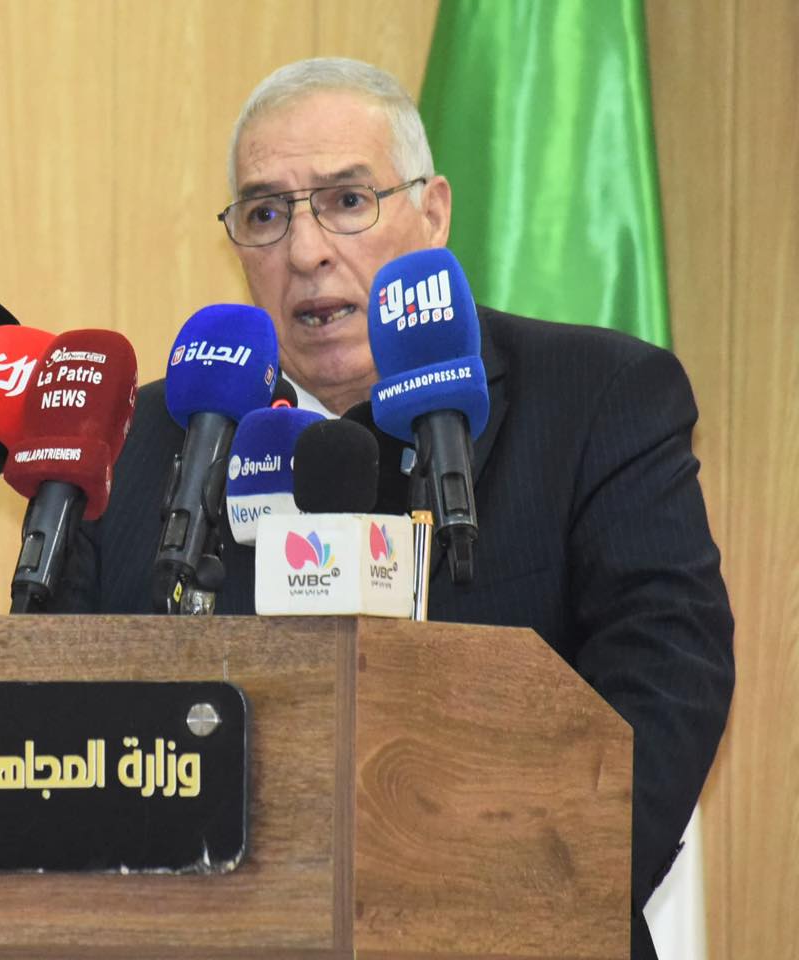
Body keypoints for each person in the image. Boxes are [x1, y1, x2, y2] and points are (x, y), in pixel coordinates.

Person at [54, 58, 733, 960]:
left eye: (346, 200)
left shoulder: (596, 398)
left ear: (434, 212)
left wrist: (496, 910)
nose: (306, 252)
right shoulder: (134, 442)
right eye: (266, 214)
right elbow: (59, 731)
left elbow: (668, 681)